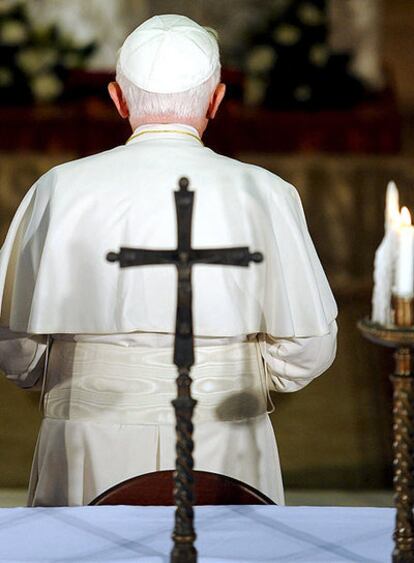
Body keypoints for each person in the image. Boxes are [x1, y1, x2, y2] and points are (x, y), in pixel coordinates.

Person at [0, 14, 337, 507]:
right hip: (226, 439)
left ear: (117, 98)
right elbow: (309, 348)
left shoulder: (60, 188)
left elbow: (14, 343)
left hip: (87, 438)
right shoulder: (266, 192)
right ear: (217, 99)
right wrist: (233, 372)